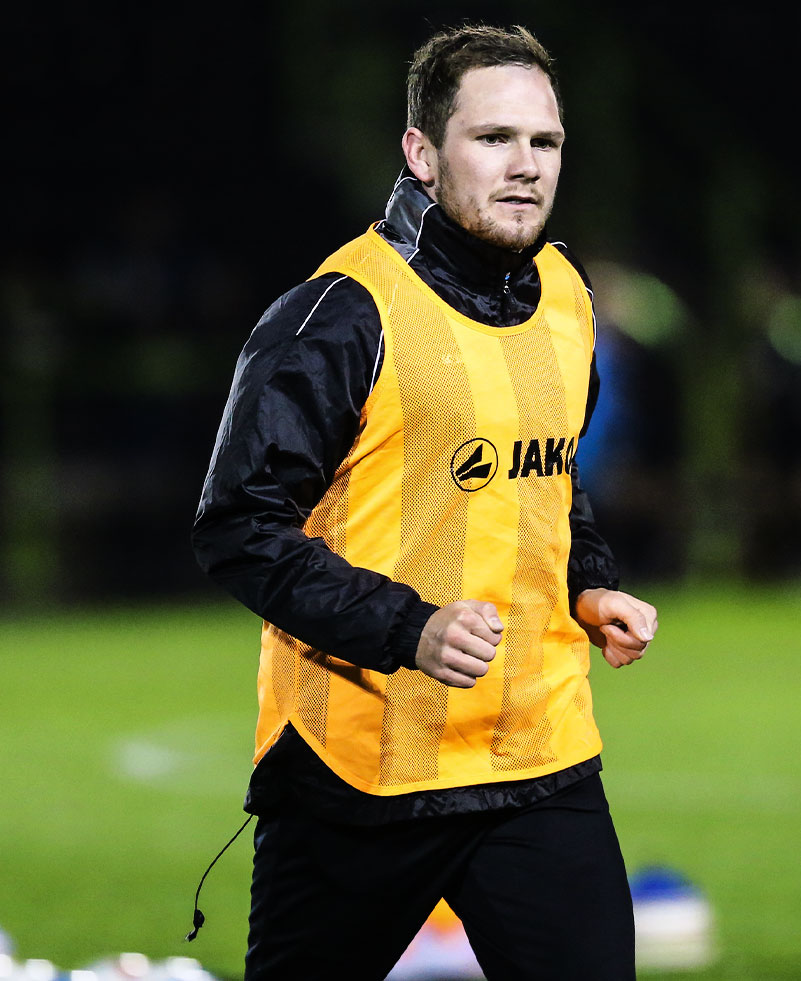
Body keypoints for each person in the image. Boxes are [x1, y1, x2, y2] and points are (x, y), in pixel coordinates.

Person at [192, 24, 657, 981]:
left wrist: (589, 582)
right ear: (422, 151)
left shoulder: (570, 298)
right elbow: (238, 525)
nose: (526, 165)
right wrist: (408, 626)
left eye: (545, 141)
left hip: (536, 753)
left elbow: (550, 480)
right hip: (361, 768)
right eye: (494, 138)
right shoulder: (339, 311)